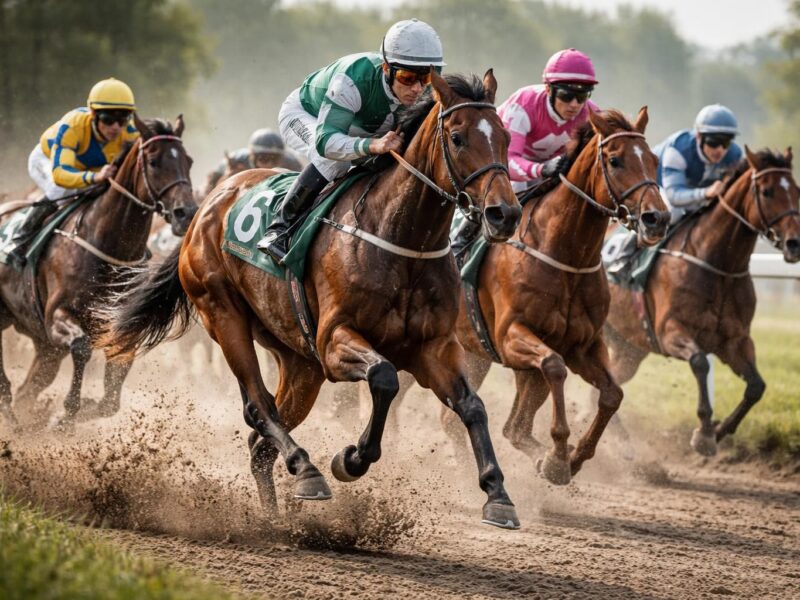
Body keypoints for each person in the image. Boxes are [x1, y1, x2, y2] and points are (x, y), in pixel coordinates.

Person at [257, 18, 445, 263]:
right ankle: (280, 229)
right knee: (333, 161)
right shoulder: (354, 79)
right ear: (387, 69)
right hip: (308, 117)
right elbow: (327, 142)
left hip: (361, 126)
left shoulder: (425, 90)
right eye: (407, 77)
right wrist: (372, 146)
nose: (418, 89)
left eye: (427, 78)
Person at [450, 48, 600, 257]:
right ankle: (460, 245)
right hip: (501, 165)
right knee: (506, 194)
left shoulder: (591, 114)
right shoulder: (524, 105)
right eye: (567, 95)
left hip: (547, 170)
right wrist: (541, 168)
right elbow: (508, 162)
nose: (575, 104)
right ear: (549, 89)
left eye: (582, 95)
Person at [6, 78, 139, 268]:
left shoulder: (131, 132)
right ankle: (20, 238)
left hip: (87, 169)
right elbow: (61, 175)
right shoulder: (73, 126)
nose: (116, 127)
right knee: (59, 191)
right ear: (93, 114)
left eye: (122, 119)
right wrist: (96, 177)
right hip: (47, 161)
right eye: (108, 119)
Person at [607, 103, 743, 274]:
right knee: (673, 212)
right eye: (714, 142)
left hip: (690, 191)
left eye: (726, 143)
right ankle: (626, 253)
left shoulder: (735, 155)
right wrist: (706, 193)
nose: (720, 150)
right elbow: (674, 196)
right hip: (659, 186)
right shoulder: (679, 149)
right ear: (699, 137)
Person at [202, 128, 304, 195]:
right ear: (252, 156)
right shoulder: (237, 159)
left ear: (281, 157)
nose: (268, 164)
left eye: (274, 158)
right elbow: (213, 179)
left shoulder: (292, 164)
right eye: (263, 158)